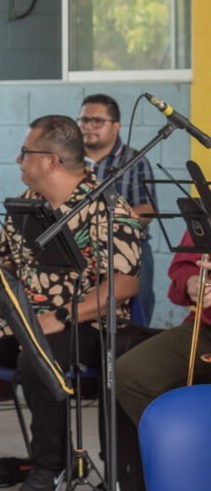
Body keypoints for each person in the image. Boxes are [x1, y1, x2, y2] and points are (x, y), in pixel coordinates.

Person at [0, 115, 142, 491]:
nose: (18, 159)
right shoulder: (29, 203)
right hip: (24, 321)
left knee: (36, 359)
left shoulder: (108, 208)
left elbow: (125, 284)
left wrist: (60, 317)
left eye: (25, 152)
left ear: (51, 161)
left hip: (86, 326)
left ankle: (52, 464)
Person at [117, 230, 211, 426]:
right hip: (206, 328)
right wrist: (192, 282)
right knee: (131, 373)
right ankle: (179, 443)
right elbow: (185, 265)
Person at [78, 94, 157, 322]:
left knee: (137, 316)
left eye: (97, 121)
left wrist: (103, 220)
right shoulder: (70, 160)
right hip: (81, 249)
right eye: (84, 120)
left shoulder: (135, 160)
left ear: (116, 126)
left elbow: (147, 209)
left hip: (129, 249)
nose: (88, 127)